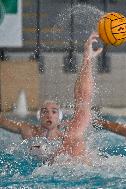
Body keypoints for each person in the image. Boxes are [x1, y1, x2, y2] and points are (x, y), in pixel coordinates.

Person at [0, 32, 103, 161]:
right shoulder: (29, 132)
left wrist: (87, 59)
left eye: (54, 111)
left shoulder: (69, 136)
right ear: (39, 116)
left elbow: (83, 99)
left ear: (60, 118)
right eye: (45, 111)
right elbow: (2, 121)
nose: (49, 115)